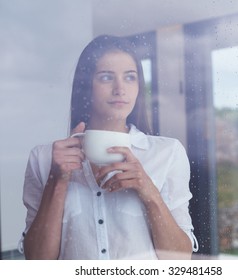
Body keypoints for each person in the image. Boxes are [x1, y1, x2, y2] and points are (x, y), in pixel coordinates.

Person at [19, 35, 198, 260]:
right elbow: (37, 261)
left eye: (130, 77)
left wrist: (148, 191)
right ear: (86, 87)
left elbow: (180, 261)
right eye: (106, 77)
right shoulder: (44, 158)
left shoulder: (168, 153)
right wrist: (57, 180)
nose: (120, 89)